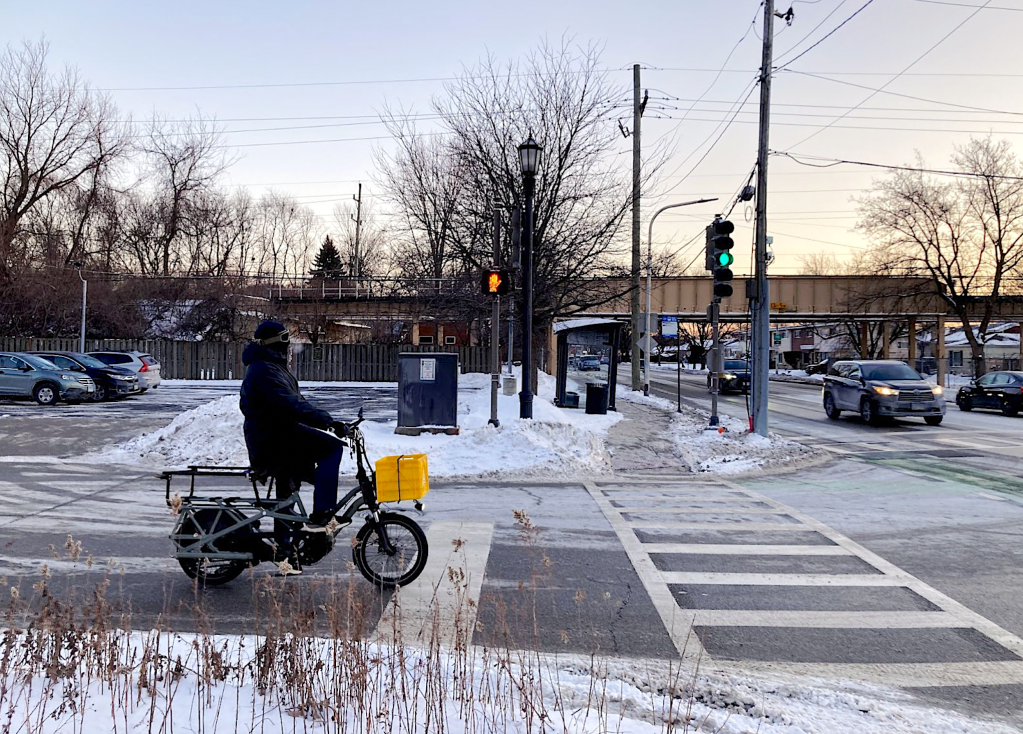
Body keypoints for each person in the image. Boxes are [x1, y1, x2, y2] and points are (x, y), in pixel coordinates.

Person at [239, 320, 344, 571]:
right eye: (285, 339)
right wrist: (327, 422)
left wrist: (326, 420)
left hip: (276, 436)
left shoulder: (271, 366)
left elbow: (296, 402)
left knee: (289, 491)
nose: (289, 345)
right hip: (272, 439)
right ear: (275, 343)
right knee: (332, 448)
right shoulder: (264, 370)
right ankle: (322, 515)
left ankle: (285, 552)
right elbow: (290, 405)